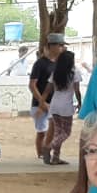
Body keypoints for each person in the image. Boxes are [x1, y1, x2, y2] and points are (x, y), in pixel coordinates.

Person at [41, 49, 82, 166]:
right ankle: (48, 147)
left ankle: (56, 158)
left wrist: (42, 102)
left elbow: (48, 89)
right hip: (66, 106)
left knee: (58, 132)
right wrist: (80, 102)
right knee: (66, 132)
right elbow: (77, 90)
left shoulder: (55, 73)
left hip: (54, 104)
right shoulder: (74, 73)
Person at [30, 33, 66, 163]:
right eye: (60, 45)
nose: (61, 48)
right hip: (40, 104)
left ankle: (51, 154)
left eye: (62, 45)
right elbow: (32, 85)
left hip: (55, 104)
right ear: (51, 46)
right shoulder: (40, 64)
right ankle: (41, 155)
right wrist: (42, 103)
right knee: (42, 131)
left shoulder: (60, 64)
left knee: (56, 131)